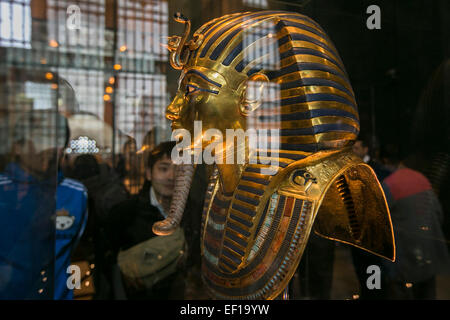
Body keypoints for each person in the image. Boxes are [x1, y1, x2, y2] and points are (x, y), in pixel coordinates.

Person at [0, 109, 88, 299]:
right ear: (17, 147)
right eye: (40, 139)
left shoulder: (76, 194)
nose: (49, 149)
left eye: (57, 141)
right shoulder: (3, 191)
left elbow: (74, 251)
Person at [106, 141, 185, 299]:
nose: (171, 176)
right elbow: (109, 265)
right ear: (149, 173)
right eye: (163, 168)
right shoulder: (124, 213)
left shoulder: (194, 212)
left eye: (180, 170)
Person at [380, 145, 450, 299]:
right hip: (427, 255)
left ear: (386, 161)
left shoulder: (390, 183)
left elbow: (379, 220)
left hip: (404, 260)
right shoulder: (422, 179)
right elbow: (438, 213)